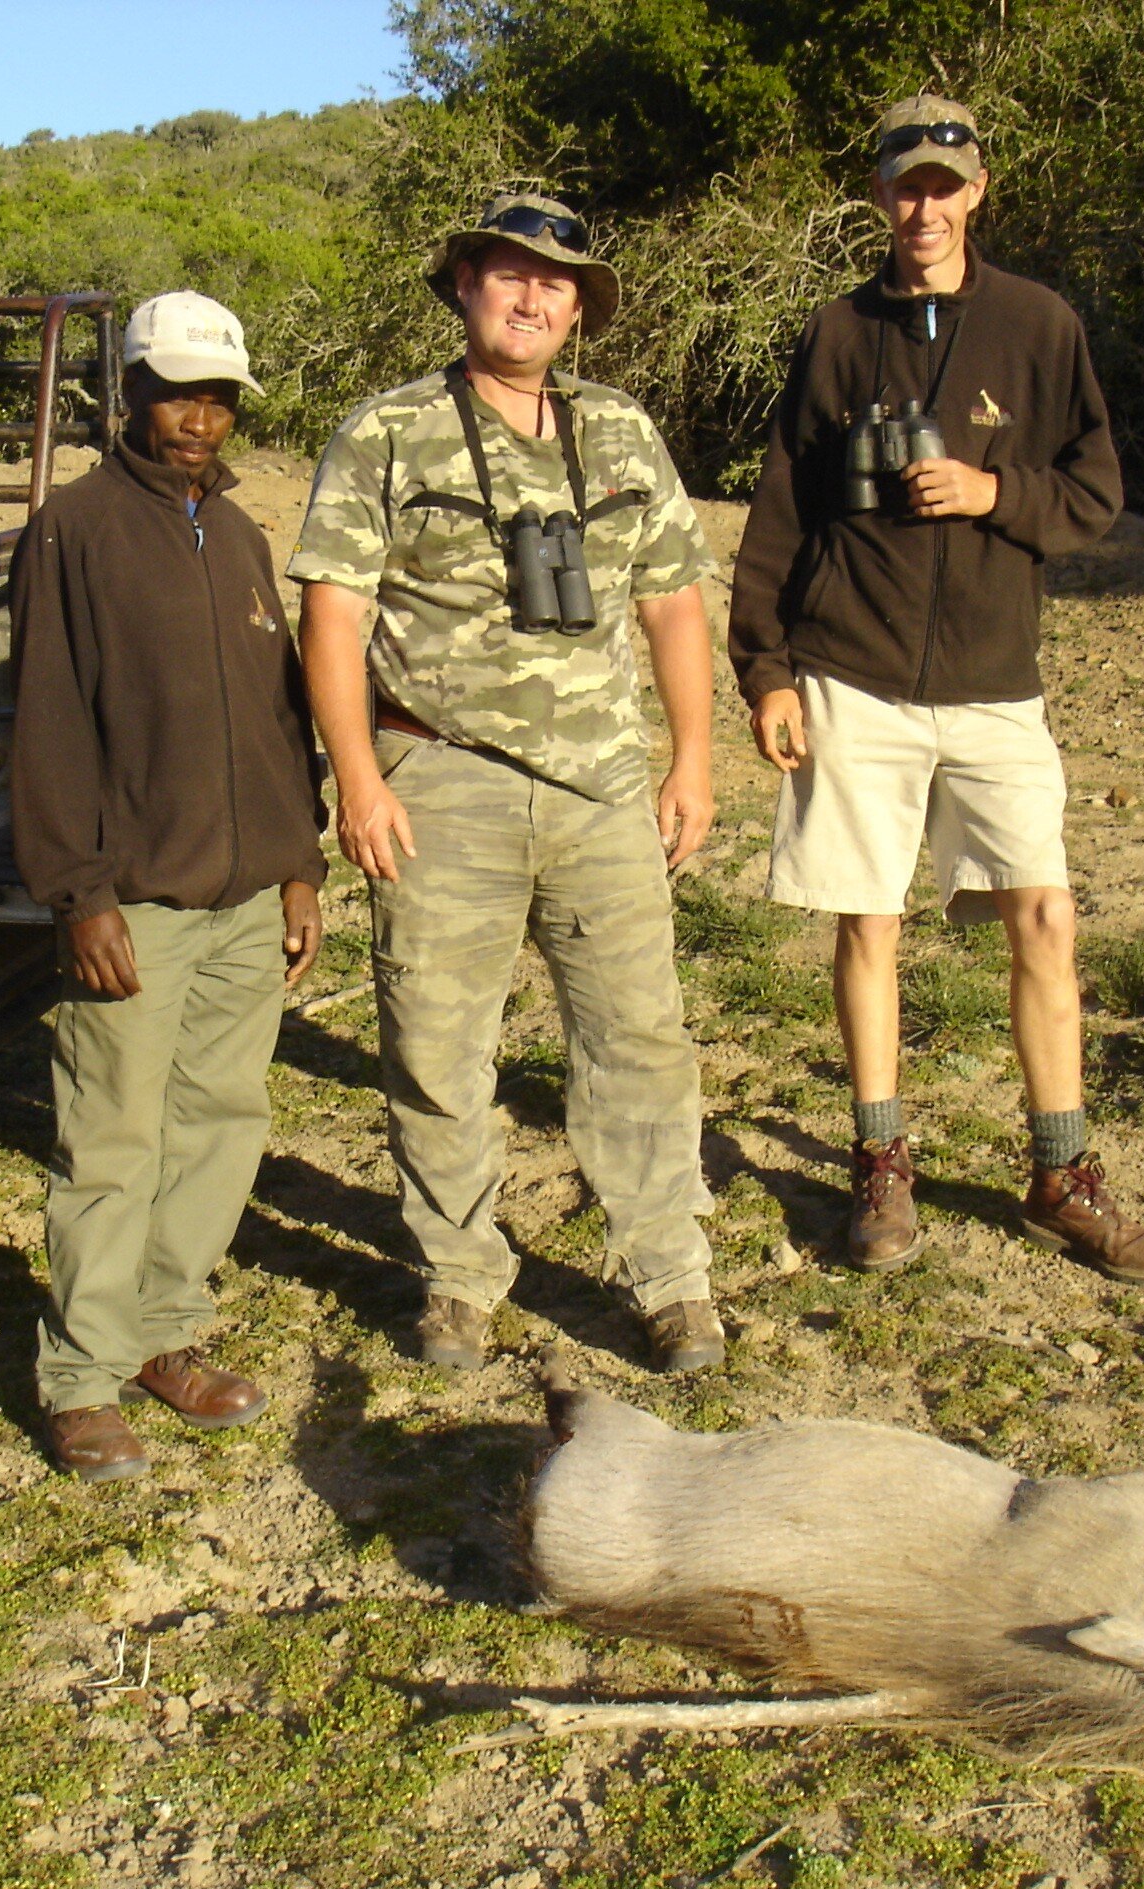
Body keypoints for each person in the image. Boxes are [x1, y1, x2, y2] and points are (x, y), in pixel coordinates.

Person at [727, 97, 1144, 1284]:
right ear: (877, 197)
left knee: (1046, 917)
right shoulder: (836, 333)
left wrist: (996, 496)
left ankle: (1063, 1177)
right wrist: (765, 671)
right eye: (904, 186)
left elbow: (1096, 486)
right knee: (867, 924)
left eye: (946, 185)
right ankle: (881, 1171)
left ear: (978, 191)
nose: (924, 206)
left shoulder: (1040, 324)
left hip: (995, 681)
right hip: (854, 672)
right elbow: (780, 513)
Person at [290, 193, 725, 1374]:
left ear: (580, 309)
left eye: (558, 284)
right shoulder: (387, 433)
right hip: (442, 781)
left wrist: (692, 755)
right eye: (511, 274)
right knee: (437, 1043)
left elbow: (675, 600)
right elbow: (333, 615)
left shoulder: (625, 433)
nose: (533, 298)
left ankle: (670, 1279)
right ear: (466, 285)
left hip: (601, 790)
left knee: (637, 1038)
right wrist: (359, 778)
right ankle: (458, 1278)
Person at [9, 291, 326, 1482]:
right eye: (176, 392)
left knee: (220, 1124)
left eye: (218, 396)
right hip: (133, 897)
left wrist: (301, 863)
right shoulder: (77, 528)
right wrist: (79, 891)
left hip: (248, 894)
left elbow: (282, 711)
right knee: (111, 1138)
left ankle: (164, 1329)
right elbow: (43, 722)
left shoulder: (239, 532)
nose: (198, 417)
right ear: (127, 395)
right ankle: (81, 1377)